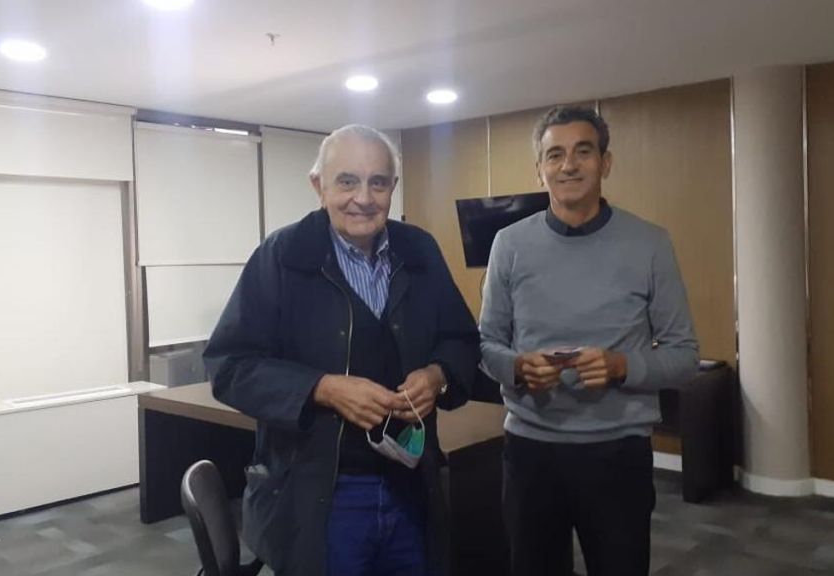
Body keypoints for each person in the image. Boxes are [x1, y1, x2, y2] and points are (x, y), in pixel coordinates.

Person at [204, 124, 480, 576]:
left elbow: (462, 340)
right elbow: (229, 366)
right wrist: (322, 388)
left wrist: (439, 375)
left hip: (412, 485)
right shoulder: (281, 256)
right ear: (319, 186)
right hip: (319, 494)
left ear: (393, 186)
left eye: (378, 183)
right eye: (347, 181)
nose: (363, 198)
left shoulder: (421, 251)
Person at [479, 105, 699, 576]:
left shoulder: (650, 243)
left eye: (583, 152)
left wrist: (622, 366)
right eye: (554, 155)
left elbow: (684, 356)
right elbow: (486, 345)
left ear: (605, 163)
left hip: (618, 453)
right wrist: (517, 367)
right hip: (531, 452)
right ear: (540, 169)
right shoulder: (509, 244)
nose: (568, 165)